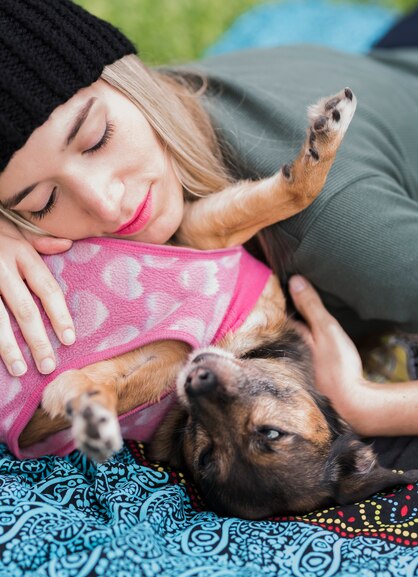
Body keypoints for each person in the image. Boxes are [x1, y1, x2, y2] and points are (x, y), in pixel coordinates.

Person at [0, 0, 418, 442]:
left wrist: (367, 406)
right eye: (41, 202)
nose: (106, 204)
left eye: (97, 139)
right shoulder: (156, 117)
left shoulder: (346, 232)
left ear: (133, 81)